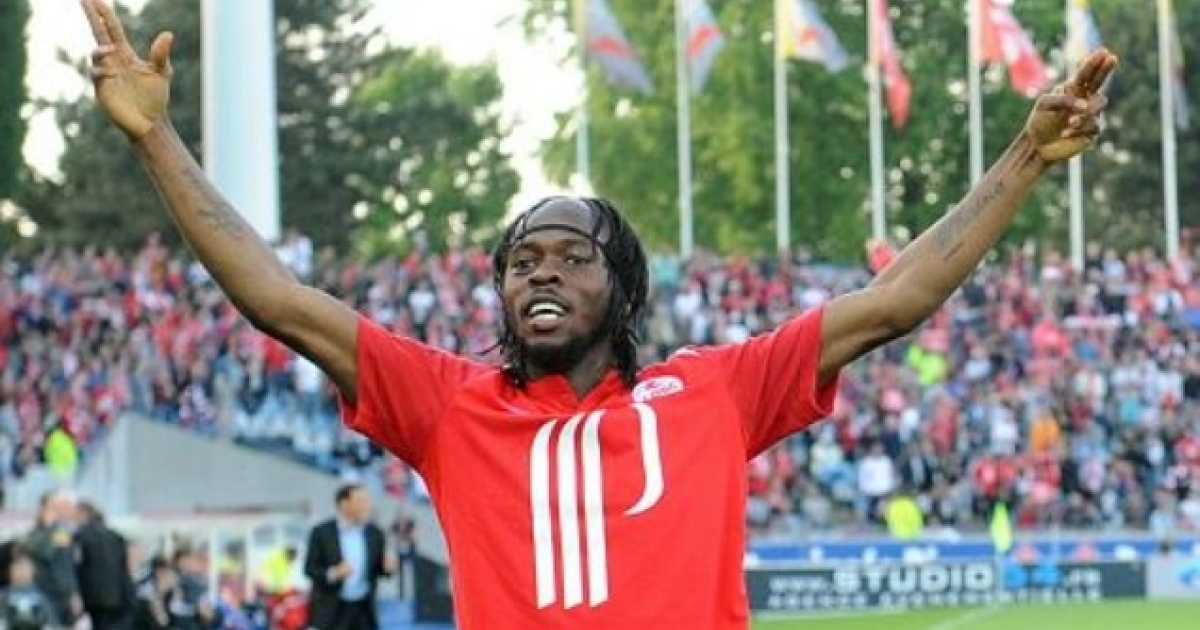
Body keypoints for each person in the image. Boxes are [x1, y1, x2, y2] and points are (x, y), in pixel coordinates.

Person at [78, 0, 1118, 627]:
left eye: (572, 258)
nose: (542, 274)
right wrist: (155, 139)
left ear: (620, 289)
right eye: (521, 261)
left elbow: (895, 299)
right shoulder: (449, 405)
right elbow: (276, 299)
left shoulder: (713, 391)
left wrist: (1026, 156)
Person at [303, 484, 392, 630]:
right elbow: (309, 569)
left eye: (367, 501)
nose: (367, 506)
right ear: (344, 504)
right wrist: (333, 573)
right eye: (361, 501)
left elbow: (378, 570)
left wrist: (387, 568)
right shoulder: (321, 533)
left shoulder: (375, 533)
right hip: (331, 611)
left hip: (364, 610)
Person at [73, 502, 136, 630]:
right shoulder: (117, 537)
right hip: (120, 597)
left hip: (93, 600)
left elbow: (76, 566)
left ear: (83, 514)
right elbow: (127, 567)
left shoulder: (80, 537)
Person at [24, 492, 80, 626]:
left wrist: (73, 592)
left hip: (62, 594)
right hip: (41, 592)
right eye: (53, 507)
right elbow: (45, 552)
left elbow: (66, 564)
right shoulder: (33, 535)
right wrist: (48, 528)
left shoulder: (62, 531)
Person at [0, 552, 61, 630]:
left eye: (25, 567)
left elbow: (53, 624)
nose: (22, 572)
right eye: (18, 567)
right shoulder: (3, 596)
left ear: (33, 570)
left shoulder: (43, 598)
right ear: (10, 570)